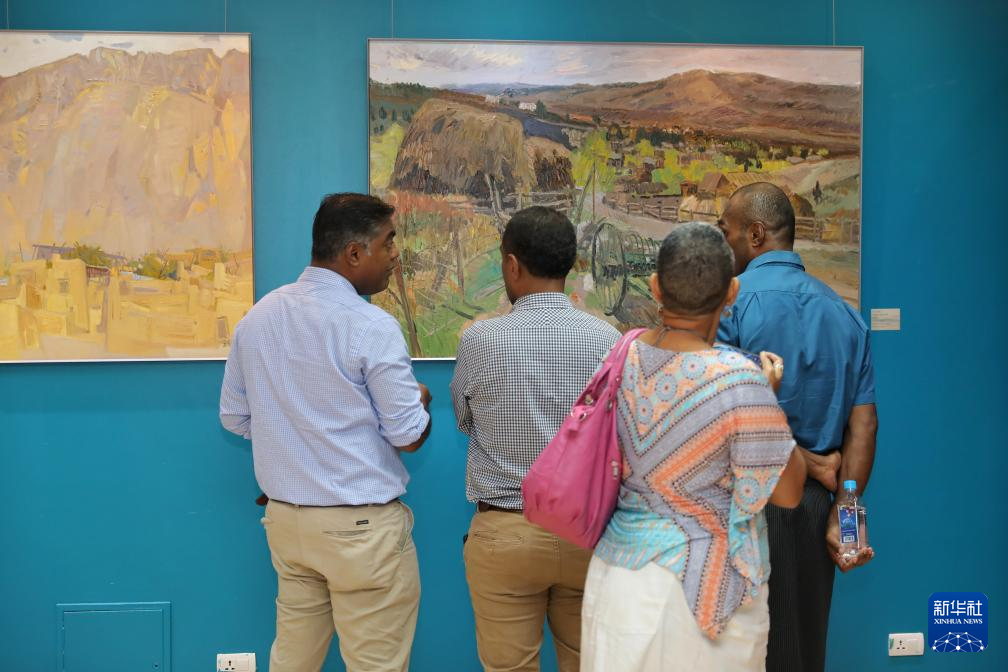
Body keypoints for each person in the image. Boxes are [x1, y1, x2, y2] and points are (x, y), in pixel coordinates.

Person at [220, 193, 432, 672]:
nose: (395, 254)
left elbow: (234, 418)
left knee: (292, 660)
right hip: (361, 533)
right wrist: (422, 400)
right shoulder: (371, 325)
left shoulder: (257, 318)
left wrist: (295, 442)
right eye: (388, 242)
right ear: (354, 253)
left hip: (288, 525)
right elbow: (409, 436)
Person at [580, 221, 806, 671]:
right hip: (704, 591)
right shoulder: (738, 380)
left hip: (619, 577)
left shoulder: (620, 356)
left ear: (655, 286)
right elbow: (788, 491)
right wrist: (767, 401)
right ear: (732, 292)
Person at [716, 182, 878, 672]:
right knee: (803, 655)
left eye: (727, 232)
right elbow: (864, 425)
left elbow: (726, 415)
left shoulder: (731, 306)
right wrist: (845, 513)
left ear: (755, 234)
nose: (724, 244)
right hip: (813, 508)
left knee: (741, 655)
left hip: (747, 502)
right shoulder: (847, 316)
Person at [450, 206, 620, 672]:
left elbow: (464, 420)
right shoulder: (609, 338)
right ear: (570, 263)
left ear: (511, 265)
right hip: (587, 531)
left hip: (506, 532)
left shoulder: (480, 340)